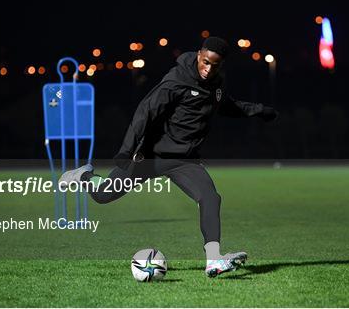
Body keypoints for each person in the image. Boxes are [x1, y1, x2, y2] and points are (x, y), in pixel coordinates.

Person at [59, 36, 278, 277]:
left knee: (210, 198)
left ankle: (213, 260)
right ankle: (84, 176)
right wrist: (127, 149)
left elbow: (224, 105)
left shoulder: (215, 83)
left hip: (184, 161)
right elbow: (146, 111)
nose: (208, 69)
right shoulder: (176, 80)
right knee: (103, 195)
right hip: (149, 156)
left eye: (215, 65)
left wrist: (259, 110)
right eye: (205, 62)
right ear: (198, 55)